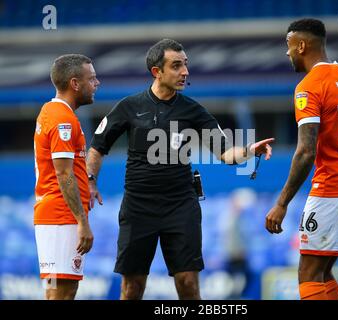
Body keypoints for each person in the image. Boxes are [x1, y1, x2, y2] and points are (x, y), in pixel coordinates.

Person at [86, 39, 274, 300]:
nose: (185, 72)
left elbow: (226, 154)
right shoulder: (129, 107)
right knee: (133, 286)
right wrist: (91, 180)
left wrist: (249, 150)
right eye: (176, 66)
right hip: (138, 208)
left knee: (187, 282)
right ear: (157, 72)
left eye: (185, 65)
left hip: (180, 206)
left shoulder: (193, 111)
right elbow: (97, 147)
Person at [265, 18, 338, 300]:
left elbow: (306, 151)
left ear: (301, 45)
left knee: (308, 274)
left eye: (288, 46)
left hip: (334, 186)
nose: (286, 53)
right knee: (323, 273)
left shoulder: (309, 86)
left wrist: (281, 203)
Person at [33, 54, 100, 299]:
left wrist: (88, 183)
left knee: (56, 292)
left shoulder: (51, 111)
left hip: (53, 216)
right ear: (74, 83)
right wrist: (82, 222)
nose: (97, 83)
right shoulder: (63, 120)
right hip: (62, 217)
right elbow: (63, 173)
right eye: (91, 78)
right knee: (63, 293)